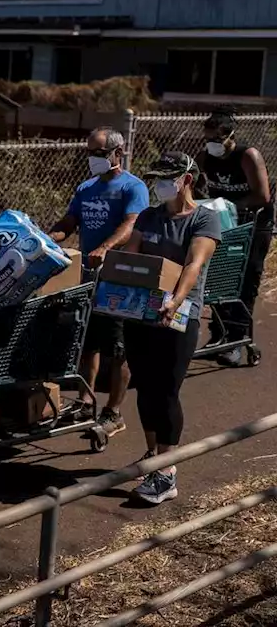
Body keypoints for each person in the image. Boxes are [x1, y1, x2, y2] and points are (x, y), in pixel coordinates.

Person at [121, 152, 221, 505]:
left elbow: (194, 263)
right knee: (144, 386)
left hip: (178, 315)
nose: (160, 185)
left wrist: (175, 300)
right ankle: (153, 455)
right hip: (140, 312)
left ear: (186, 180)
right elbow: (131, 256)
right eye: (157, 178)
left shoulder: (204, 220)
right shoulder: (149, 216)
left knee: (166, 389)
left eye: (168, 179)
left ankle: (168, 471)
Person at [47, 127, 149, 437]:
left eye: (100, 154)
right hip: (88, 276)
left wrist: (105, 248)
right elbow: (69, 222)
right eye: (90, 153)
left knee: (116, 347)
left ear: (118, 154)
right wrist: (47, 238)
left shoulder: (133, 188)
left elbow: (132, 224)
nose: (93, 159)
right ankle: (84, 400)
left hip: (118, 277)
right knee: (86, 342)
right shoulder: (86, 188)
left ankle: (114, 412)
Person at [199, 108, 273, 367]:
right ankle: (219, 335)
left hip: (252, 224)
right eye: (208, 140)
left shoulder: (247, 156)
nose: (212, 145)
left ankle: (238, 337)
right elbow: (197, 186)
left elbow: (262, 196)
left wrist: (229, 205)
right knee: (219, 277)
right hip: (224, 224)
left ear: (230, 136)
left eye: (217, 140)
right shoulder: (205, 157)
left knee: (245, 279)